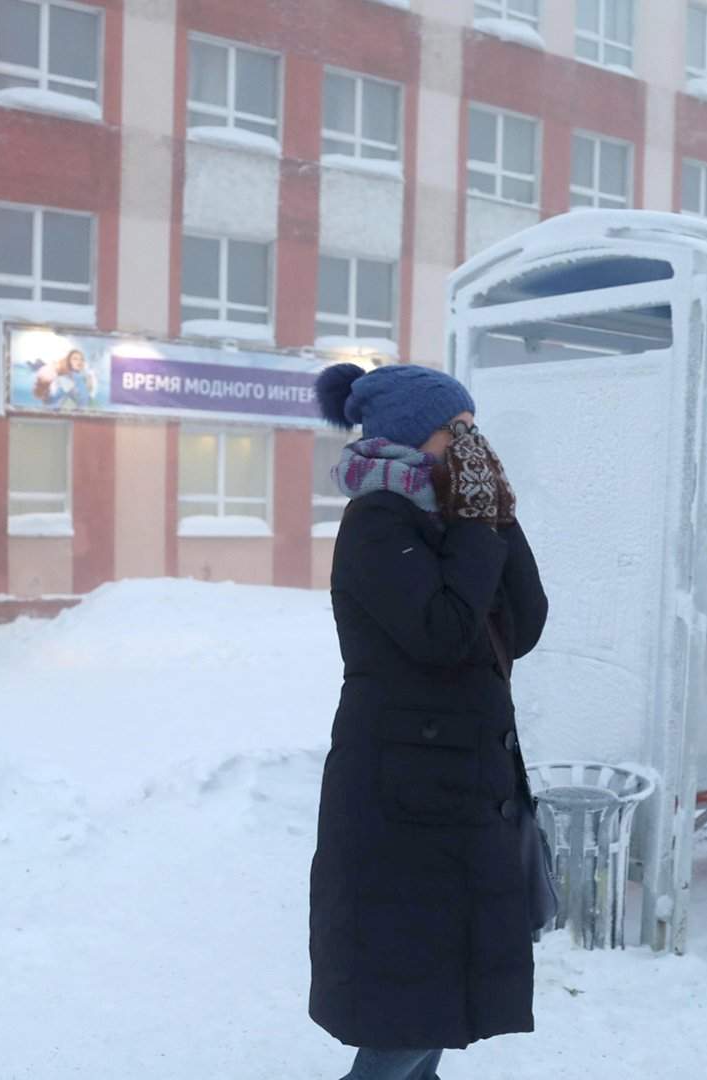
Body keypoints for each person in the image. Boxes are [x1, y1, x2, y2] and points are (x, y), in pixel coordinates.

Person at [307, 362, 549, 1079]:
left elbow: (524, 623)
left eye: (475, 428)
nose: (473, 443)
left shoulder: (453, 516)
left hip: (460, 787)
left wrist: (498, 514)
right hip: (400, 795)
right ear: (417, 434)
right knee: (408, 1006)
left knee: (440, 996)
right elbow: (442, 631)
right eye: (459, 429)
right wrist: (476, 525)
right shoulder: (379, 521)